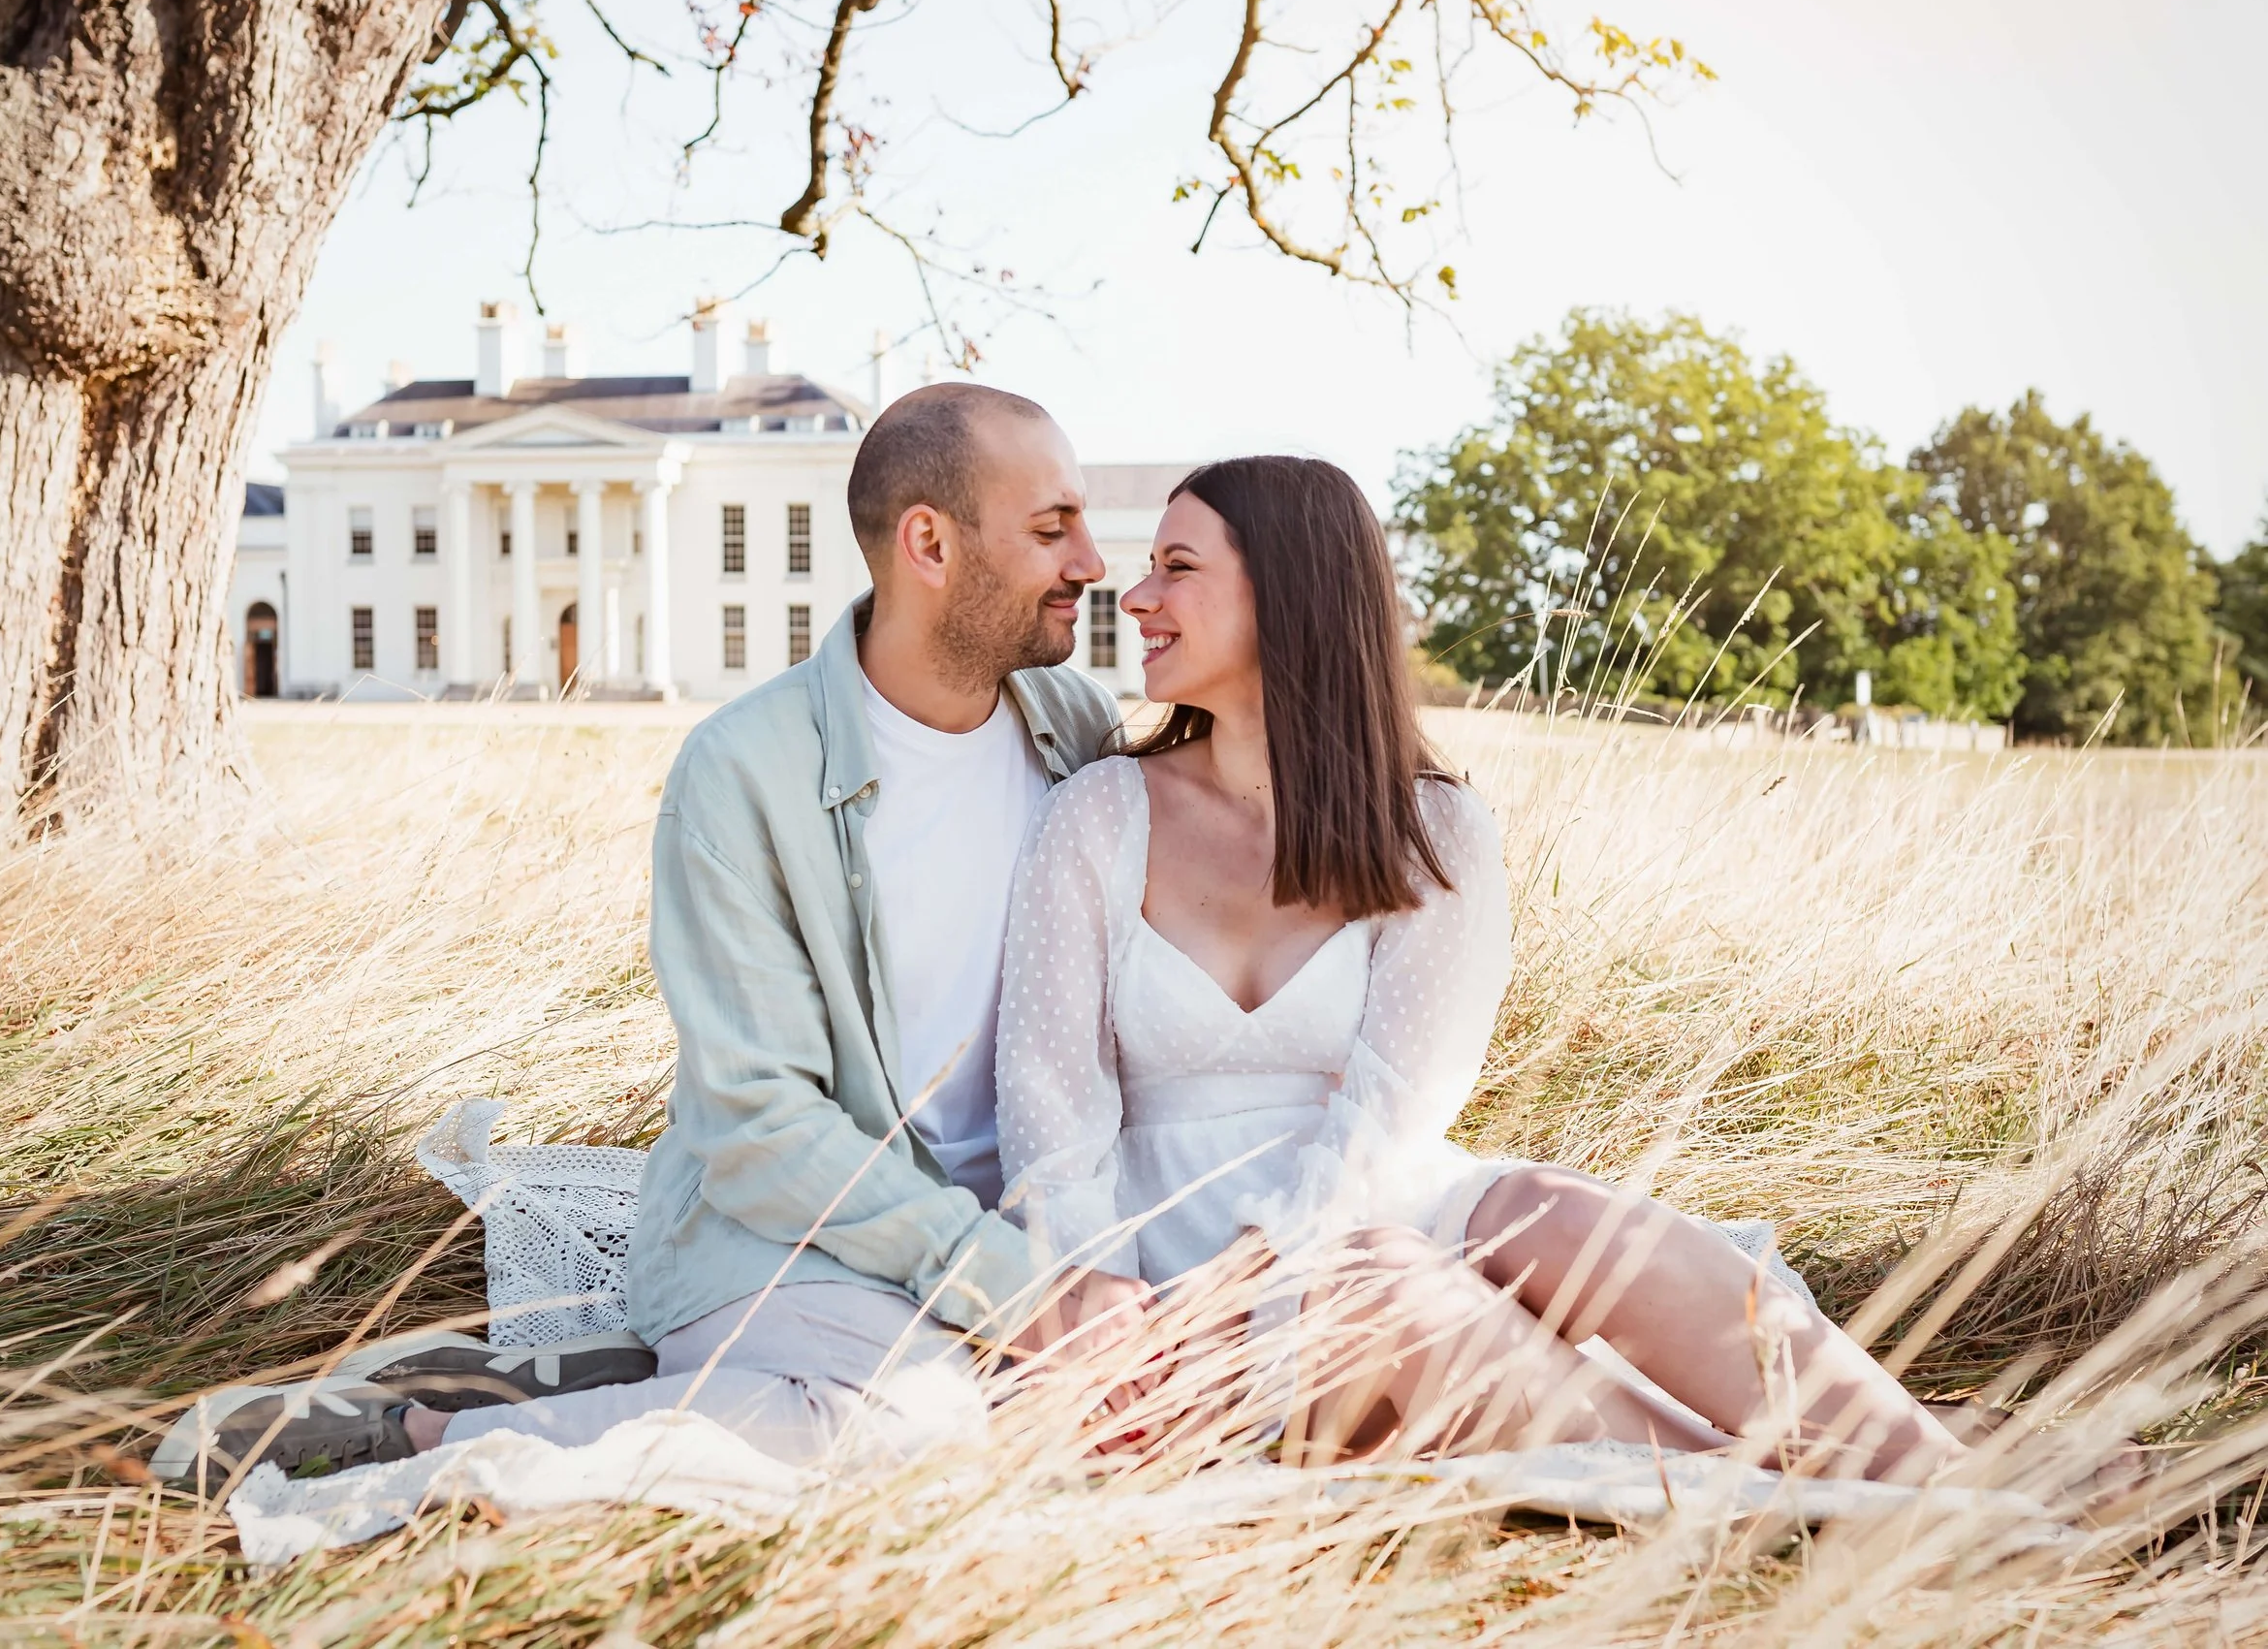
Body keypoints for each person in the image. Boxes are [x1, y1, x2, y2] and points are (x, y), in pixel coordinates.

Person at [181, 384, 1140, 1480]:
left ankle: (625, 1382)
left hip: (1004, 1225)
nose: (1092, 561)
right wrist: (1007, 1285)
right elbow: (762, 1123)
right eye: (1052, 527)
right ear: (927, 541)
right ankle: (430, 1429)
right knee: (915, 1433)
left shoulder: (1076, 728)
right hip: (789, 1236)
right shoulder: (743, 771)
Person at [995, 456, 1968, 1481]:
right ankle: (1769, 1480)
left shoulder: (1432, 828)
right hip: (1184, 1282)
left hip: (1363, 1207)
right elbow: (1049, 1105)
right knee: (1372, 1287)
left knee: (1550, 1207)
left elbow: (1394, 1111)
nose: (1135, 594)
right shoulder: (1100, 814)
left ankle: (1934, 1469)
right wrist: (1094, 1280)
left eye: (1175, 566)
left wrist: (1277, 1260)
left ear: (1288, 595)